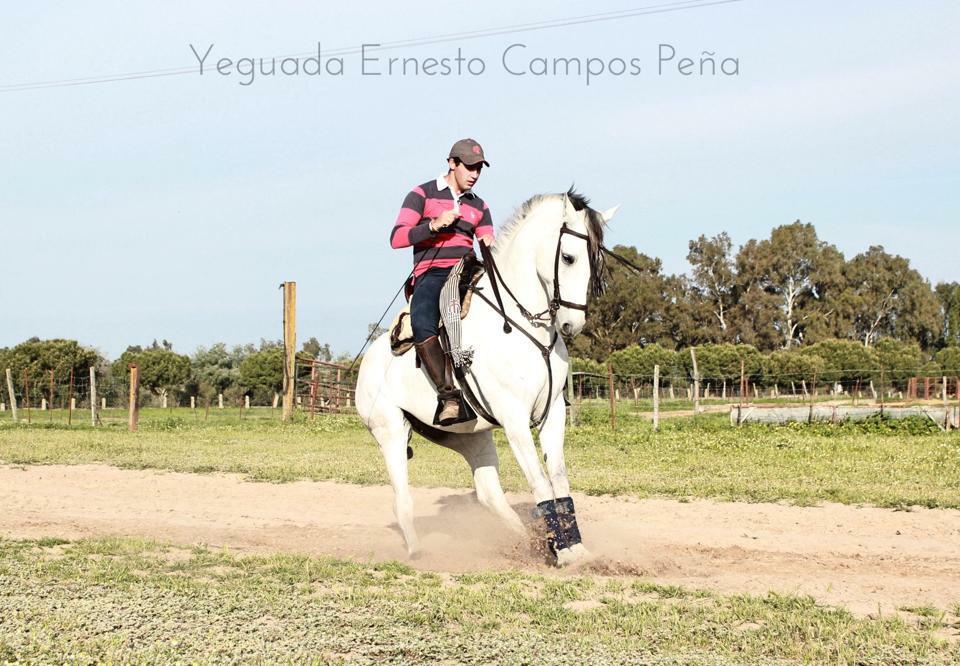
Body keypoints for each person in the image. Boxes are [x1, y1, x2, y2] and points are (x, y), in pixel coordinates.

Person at [390, 138, 494, 425]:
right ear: (452, 163)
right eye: (470, 167)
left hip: (468, 269)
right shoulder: (421, 194)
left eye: (479, 169)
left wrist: (488, 244)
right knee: (422, 320)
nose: (474, 174)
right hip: (432, 273)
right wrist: (433, 226)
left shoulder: (480, 206)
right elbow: (397, 238)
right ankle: (448, 396)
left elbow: (487, 238)